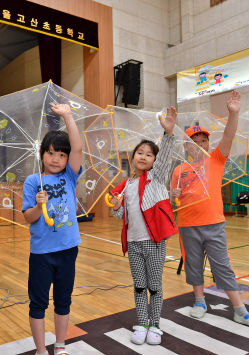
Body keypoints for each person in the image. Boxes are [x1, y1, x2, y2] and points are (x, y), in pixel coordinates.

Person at [171, 90, 249, 331]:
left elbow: (228, 135)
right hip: (187, 224)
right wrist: (174, 196)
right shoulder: (178, 169)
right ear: (186, 145)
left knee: (222, 266)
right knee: (193, 264)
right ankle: (200, 301)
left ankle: (240, 311)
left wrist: (233, 113)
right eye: (195, 141)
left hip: (213, 223)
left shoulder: (215, 159)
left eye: (204, 140)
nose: (200, 144)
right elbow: (176, 200)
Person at [109, 107, 179, 345]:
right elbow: (119, 217)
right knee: (139, 286)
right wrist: (115, 206)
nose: (143, 157)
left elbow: (164, 157)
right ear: (132, 157)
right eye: (140, 152)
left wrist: (168, 134)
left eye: (149, 154)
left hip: (155, 242)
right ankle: (142, 322)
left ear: (154, 161)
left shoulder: (156, 177)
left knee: (154, 286)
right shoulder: (125, 185)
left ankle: (155, 324)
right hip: (134, 244)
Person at [21, 104, 82, 355]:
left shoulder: (69, 176)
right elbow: (28, 218)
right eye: (50, 153)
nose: (56, 159)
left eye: (61, 155)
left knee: (63, 301)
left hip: (68, 250)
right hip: (42, 253)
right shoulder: (33, 181)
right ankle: (40, 350)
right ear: (41, 154)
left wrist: (68, 116)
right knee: (38, 303)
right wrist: (37, 204)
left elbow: (77, 147)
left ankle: (59, 345)